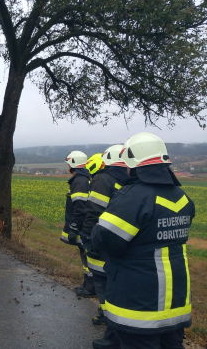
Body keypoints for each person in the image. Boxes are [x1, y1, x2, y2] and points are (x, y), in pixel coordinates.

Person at [91, 133, 194, 349]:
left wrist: (95, 229)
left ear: (134, 164)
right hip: (175, 301)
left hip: (139, 303)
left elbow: (106, 239)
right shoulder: (181, 197)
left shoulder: (133, 197)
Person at [82, 146, 127, 349]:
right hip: (119, 241)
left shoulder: (102, 180)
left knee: (102, 281)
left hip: (101, 239)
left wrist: (87, 237)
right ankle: (114, 325)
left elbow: (93, 212)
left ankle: (111, 326)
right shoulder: (127, 180)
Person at [61, 150, 94, 297]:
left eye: (69, 163)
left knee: (87, 255)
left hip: (82, 228)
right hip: (84, 227)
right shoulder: (82, 179)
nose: (68, 166)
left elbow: (80, 208)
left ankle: (90, 288)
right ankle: (88, 285)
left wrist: (73, 228)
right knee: (85, 255)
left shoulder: (79, 181)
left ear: (73, 164)